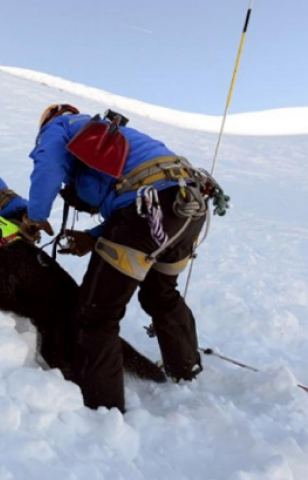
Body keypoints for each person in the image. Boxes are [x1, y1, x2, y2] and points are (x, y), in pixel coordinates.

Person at [23, 104, 210, 412]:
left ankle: (103, 407)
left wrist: (35, 217)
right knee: (161, 293)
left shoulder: (60, 127)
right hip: (187, 206)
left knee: (97, 314)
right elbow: (131, 191)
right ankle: (185, 368)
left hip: (146, 209)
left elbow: (47, 167)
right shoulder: (117, 134)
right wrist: (93, 238)